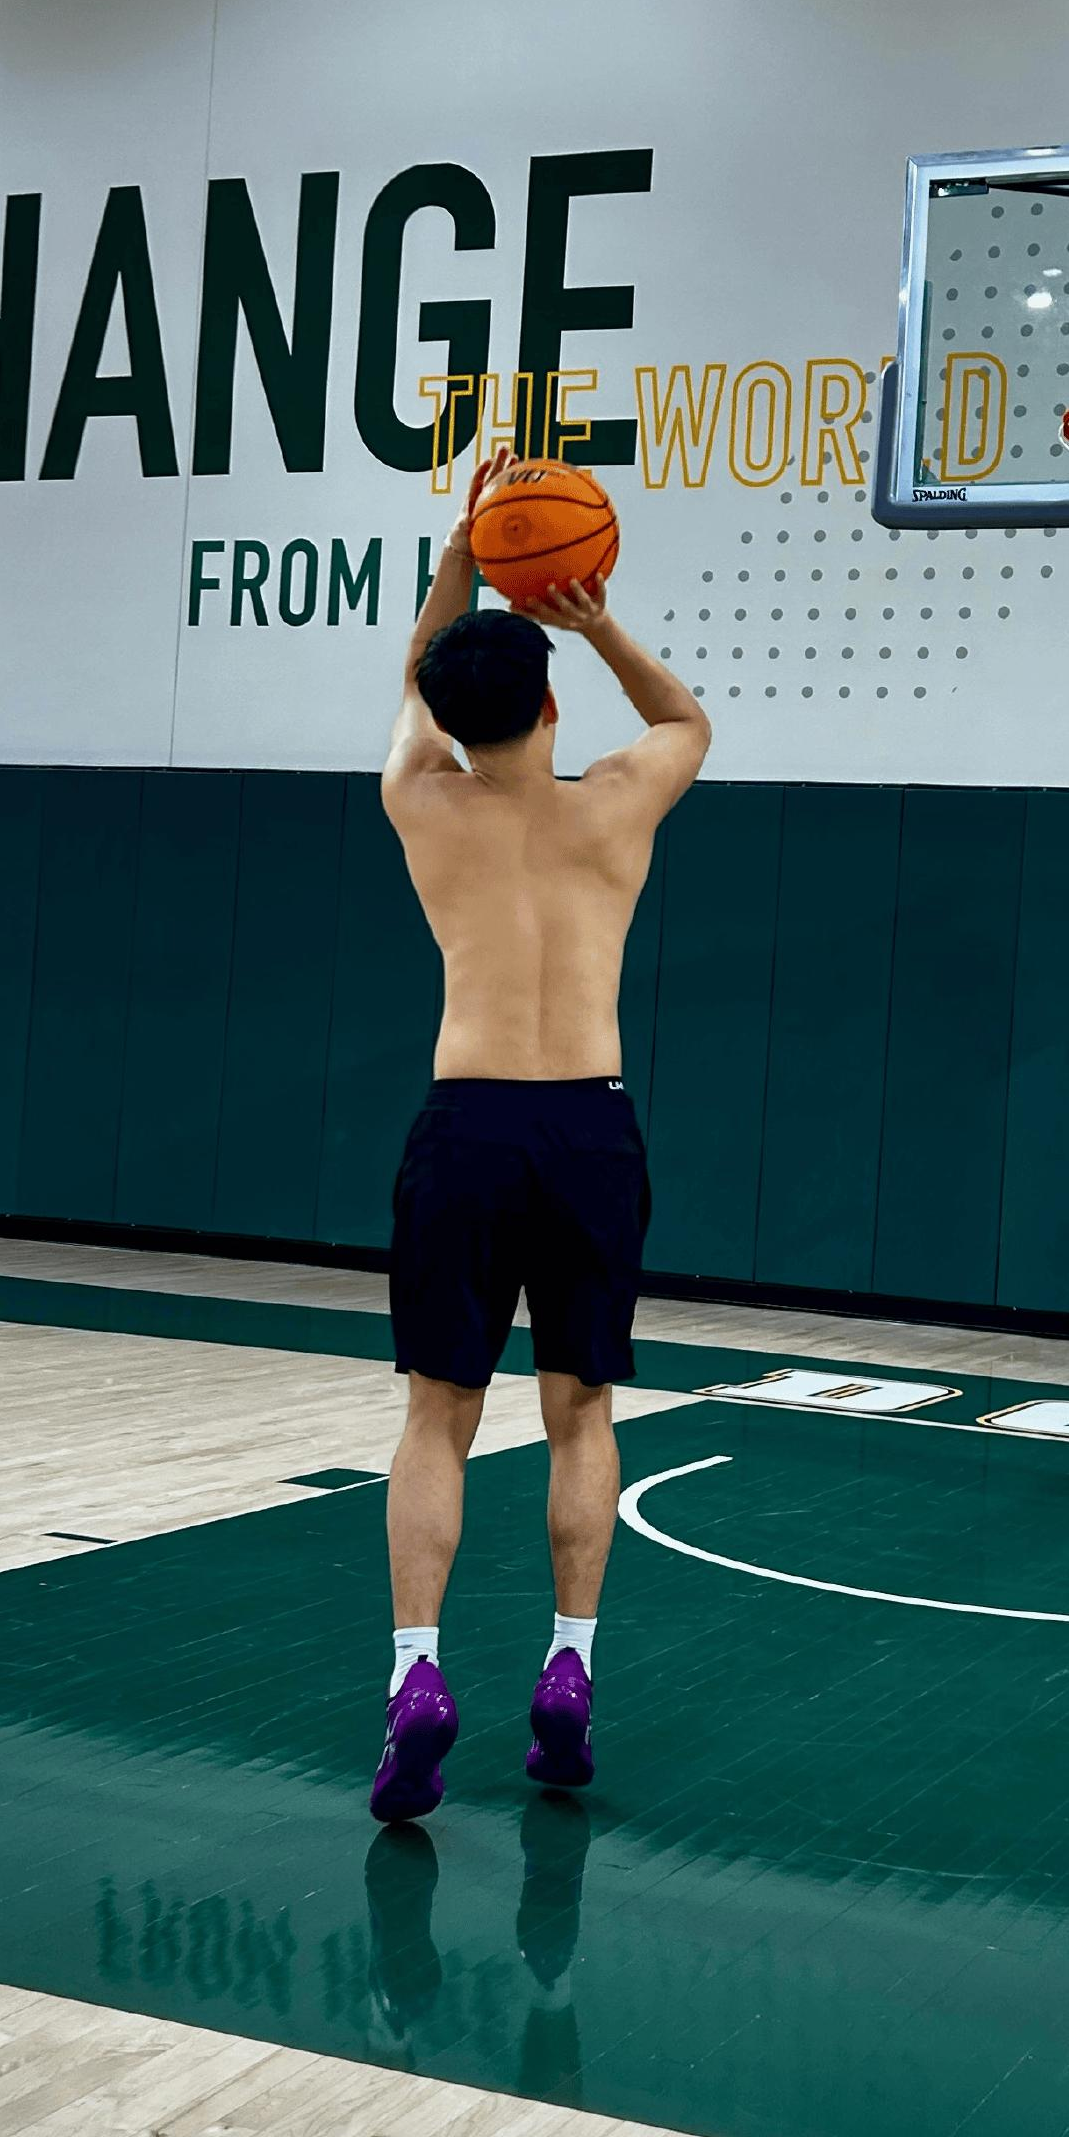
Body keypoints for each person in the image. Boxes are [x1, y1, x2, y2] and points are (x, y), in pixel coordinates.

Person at [368, 451, 710, 1822]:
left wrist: (462, 556)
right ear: (553, 700)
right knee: (580, 1411)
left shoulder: (419, 799)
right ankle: (568, 1663)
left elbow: (417, 682)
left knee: (436, 1417)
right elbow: (683, 716)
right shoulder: (615, 800)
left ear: (452, 719)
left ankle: (416, 1673)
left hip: (465, 1123)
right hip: (587, 1124)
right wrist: (594, 616)